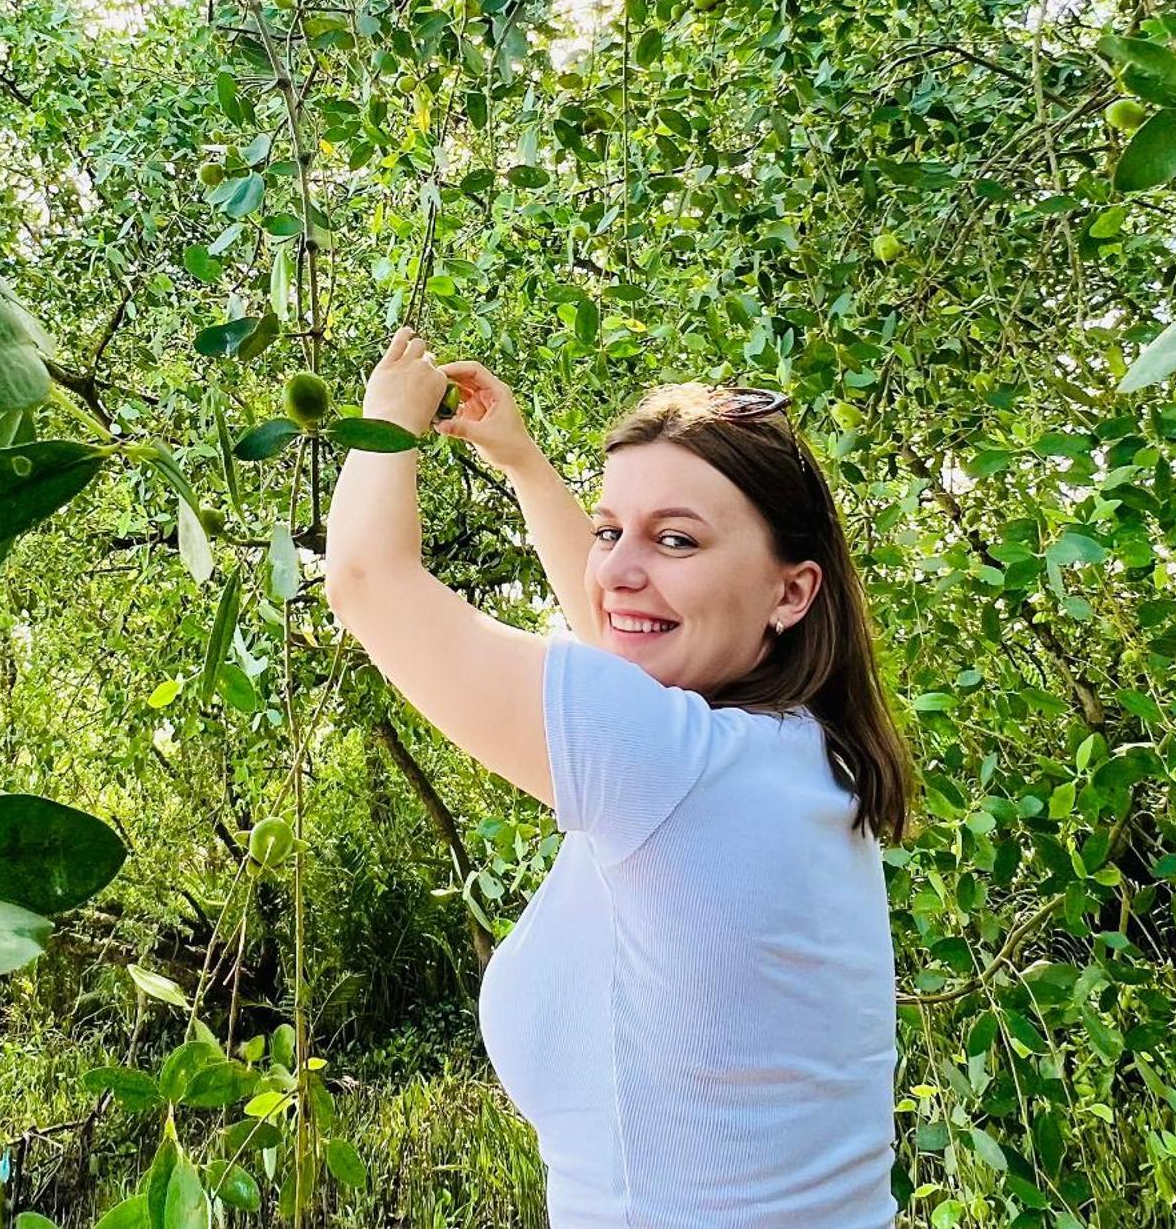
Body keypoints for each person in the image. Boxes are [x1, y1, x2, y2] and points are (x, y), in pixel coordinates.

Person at [324, 326, 916, 1229]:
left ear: (791, 593)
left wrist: (387, 424)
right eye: (611, 531)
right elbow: (623, 632)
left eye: (677, 540)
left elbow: (367, 580)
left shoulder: (678, 769)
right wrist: (521, 462)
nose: (622, 570)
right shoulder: (801, 756)